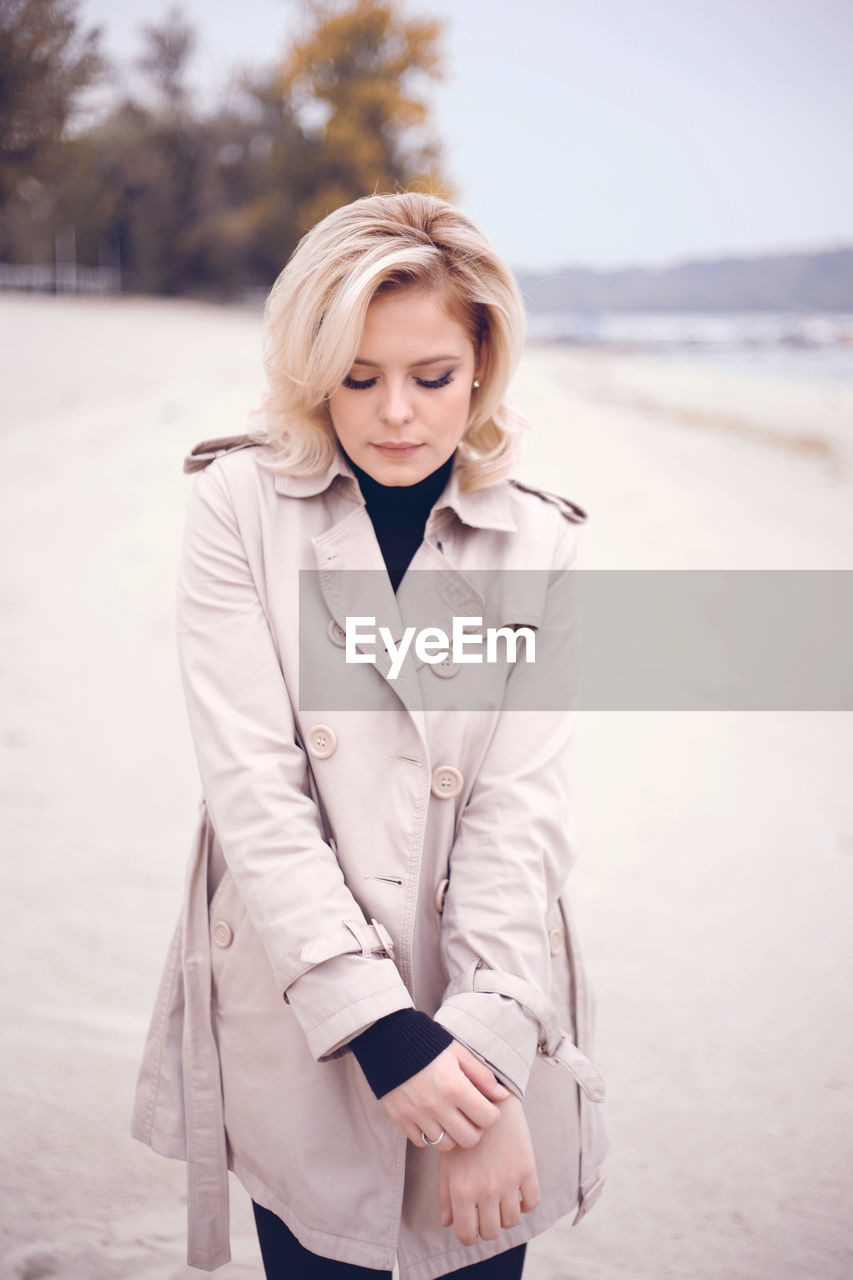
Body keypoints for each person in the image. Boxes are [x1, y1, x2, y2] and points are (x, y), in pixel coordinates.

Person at [132, 191, 607, 1280]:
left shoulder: (537, 540)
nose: (396, 413)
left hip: (486, 978)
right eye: (357, 377)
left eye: (431, 376)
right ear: (313, 369)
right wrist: (382, 1033)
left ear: (483, 361)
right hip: (303, 997)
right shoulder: (238, 506)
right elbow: (257, 789)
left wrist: (477, 1062)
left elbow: (517, 807)